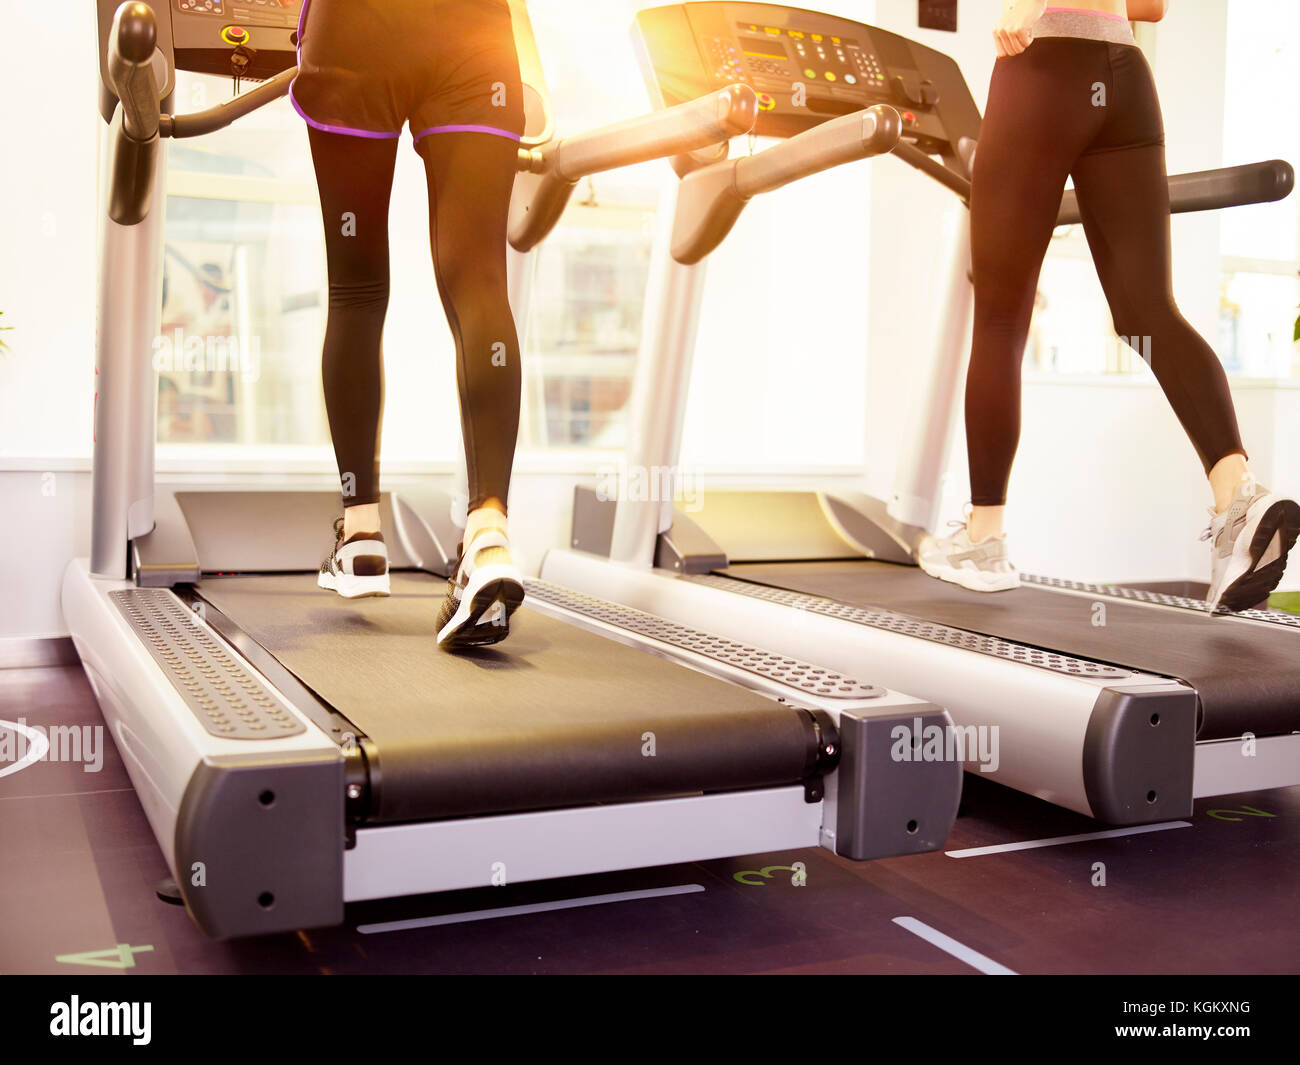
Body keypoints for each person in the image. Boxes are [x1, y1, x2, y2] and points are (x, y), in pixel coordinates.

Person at [917, 0, 1300, 613]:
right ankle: (1237, 498)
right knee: (1149, 312)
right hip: (1125, 76)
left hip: (1044, 71)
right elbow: (1151, 6)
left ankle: (982, 540)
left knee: (1000, 318)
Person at [290, 0, 526, 648]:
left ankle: (360, 528)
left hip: (357, 33)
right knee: (481, 279)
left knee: (357, 286)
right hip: (475, 36)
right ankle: (489, 533)